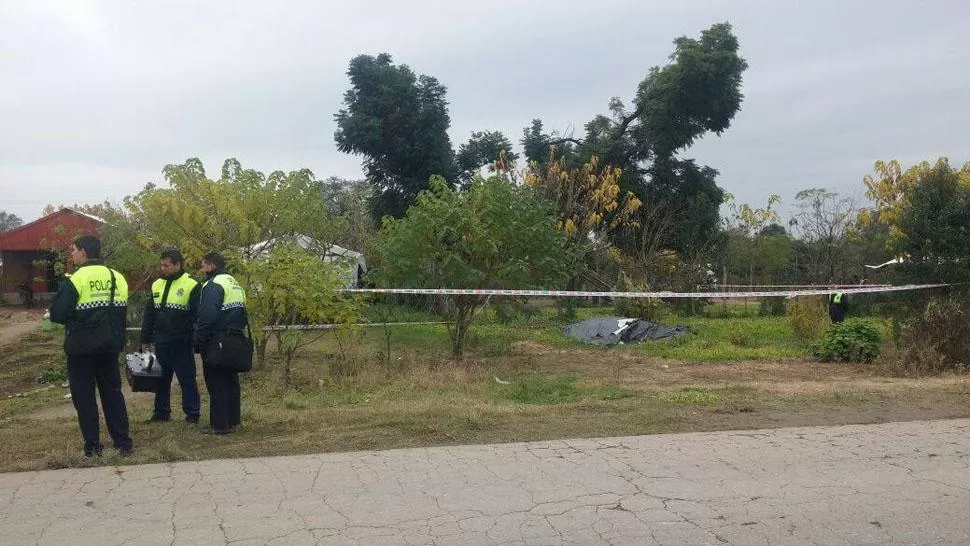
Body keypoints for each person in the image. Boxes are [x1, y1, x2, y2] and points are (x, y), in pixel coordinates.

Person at [48, 235, 133, 456]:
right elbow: (120, 311)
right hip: (109, 346)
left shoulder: (77, 279)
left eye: (74, 250)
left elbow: (57, 314)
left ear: (84, 252)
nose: (72, 254)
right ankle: (123, 442)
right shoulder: (117, 277)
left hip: (82, 349)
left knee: (84, 397)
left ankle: (93, 446)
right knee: (113, 394)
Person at [141, 249, 202, 424]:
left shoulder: (191, 284)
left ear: (177, 264)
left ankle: (192, 413)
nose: (163, 269)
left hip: (181, 342)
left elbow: (197, 315)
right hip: (161, 341)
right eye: (161, 265)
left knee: (186, 379)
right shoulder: (156, 284)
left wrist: (193, 338)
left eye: (166, 265)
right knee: (161, 379)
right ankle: (161, 412)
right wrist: (145, 339)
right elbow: (149, 314)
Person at [194, 252, 247, 435]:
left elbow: (207, 316)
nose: (202, 270)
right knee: (231, 381)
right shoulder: (234, 283)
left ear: (211, 266)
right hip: (235, 338)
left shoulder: (213, 285)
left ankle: (219, 425)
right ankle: (233, 420)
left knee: (216, 382)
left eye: (203, 265)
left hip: (217, 339)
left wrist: (199, 340)